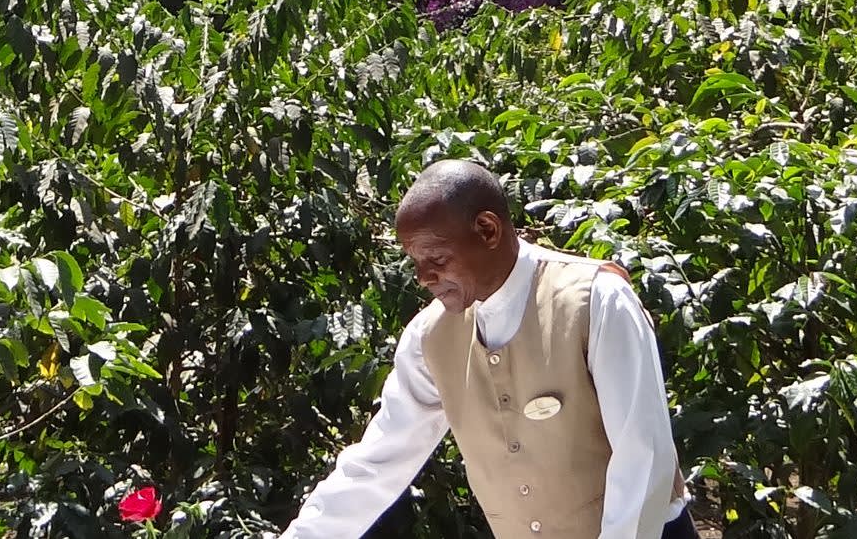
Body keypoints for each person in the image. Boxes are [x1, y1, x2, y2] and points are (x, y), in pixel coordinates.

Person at [278, 160, 692, 539]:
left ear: (488, 230)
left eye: (436, 257)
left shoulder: (596, 301)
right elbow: (377, 463)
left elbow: (644, 458)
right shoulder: (430, 339)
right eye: (415, 262)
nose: (424, 277)